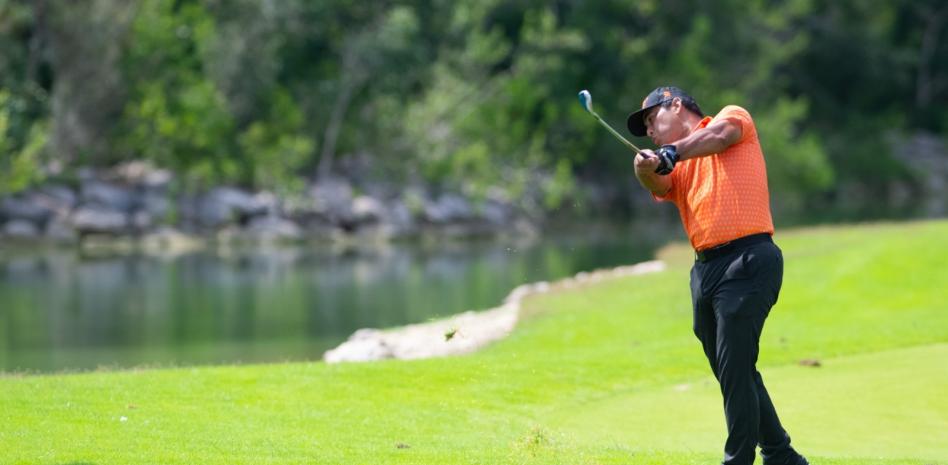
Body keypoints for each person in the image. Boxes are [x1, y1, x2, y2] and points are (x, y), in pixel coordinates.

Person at [626, 86, 809, 465]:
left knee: (735, 370)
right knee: (733, 370)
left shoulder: (731, 117)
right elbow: (661, 185)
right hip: (705, 270)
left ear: (676, 105)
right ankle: (781, 455)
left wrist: (672, 152)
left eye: (651, 120)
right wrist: (646, 170)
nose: (651, 132)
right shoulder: (676, 164)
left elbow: (719, 137)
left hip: (748, 259)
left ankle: (738, 460)